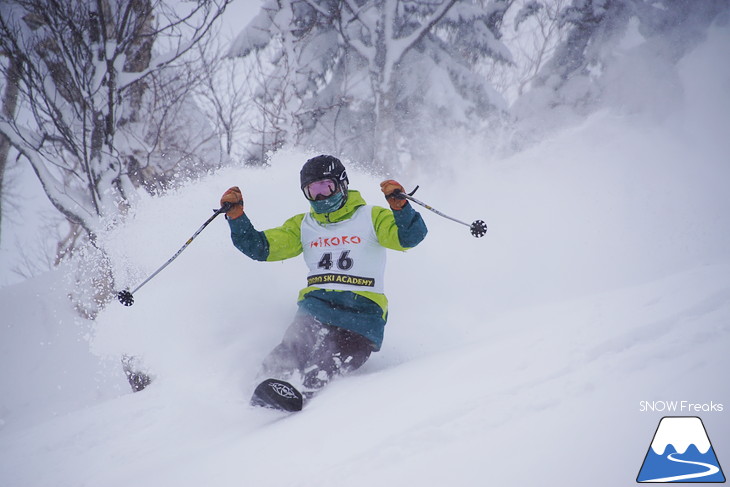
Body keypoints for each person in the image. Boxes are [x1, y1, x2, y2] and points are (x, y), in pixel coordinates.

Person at [220, 155, 427, 405]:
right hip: (317, 307)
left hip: (362, 317)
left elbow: (410, 237)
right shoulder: (303, 225)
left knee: (332, 360)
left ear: (342, 184)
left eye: (325, 188)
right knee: (291, 349)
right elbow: (261, 248)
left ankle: (300, 397)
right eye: (312, 191)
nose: (321, 197)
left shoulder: (372, 217)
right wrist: (236, 217)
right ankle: (257, 396)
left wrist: (401, 209)